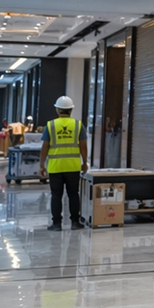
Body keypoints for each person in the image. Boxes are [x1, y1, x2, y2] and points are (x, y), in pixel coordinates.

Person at [40, 96, 89, 230]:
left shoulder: (50, 125)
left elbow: (45, 146)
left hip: (55, 167)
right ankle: (74, 222)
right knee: (73, 194)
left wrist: (41, 166)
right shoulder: (78, 125)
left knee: (56, 195)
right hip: (73, 166)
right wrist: (85, 163)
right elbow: (83, 146)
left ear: (57, 110)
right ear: (71, 110)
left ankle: (56, 224)